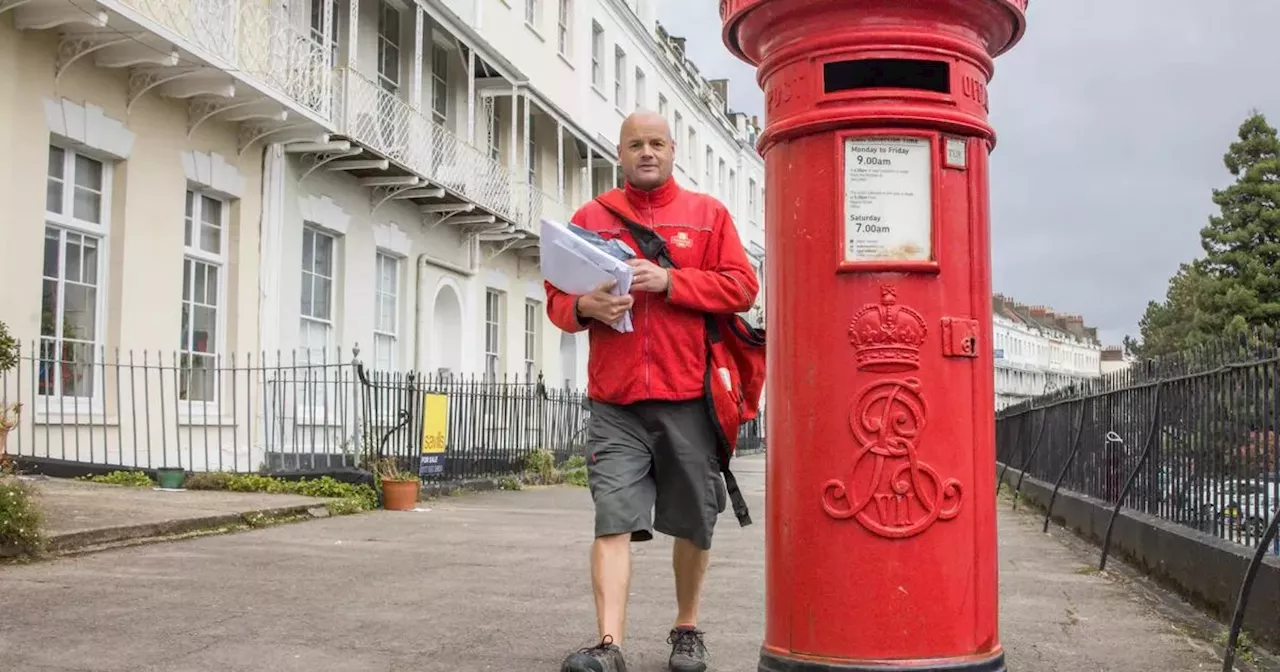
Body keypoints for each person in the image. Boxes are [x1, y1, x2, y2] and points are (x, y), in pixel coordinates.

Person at [545, 110, 759, 672]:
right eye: (636, 144)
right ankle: (609, 645)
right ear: (620, 153)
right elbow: (556, 299)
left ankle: (685, 629)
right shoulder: (590, 217)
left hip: (688, 394)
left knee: (694, 519)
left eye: (657, 143)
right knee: (612, 518)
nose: (647, 152)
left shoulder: (708, 216)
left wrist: (671, 280)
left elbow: (742, 287)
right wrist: (583, 307)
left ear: (672, 151)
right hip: (614, 400)